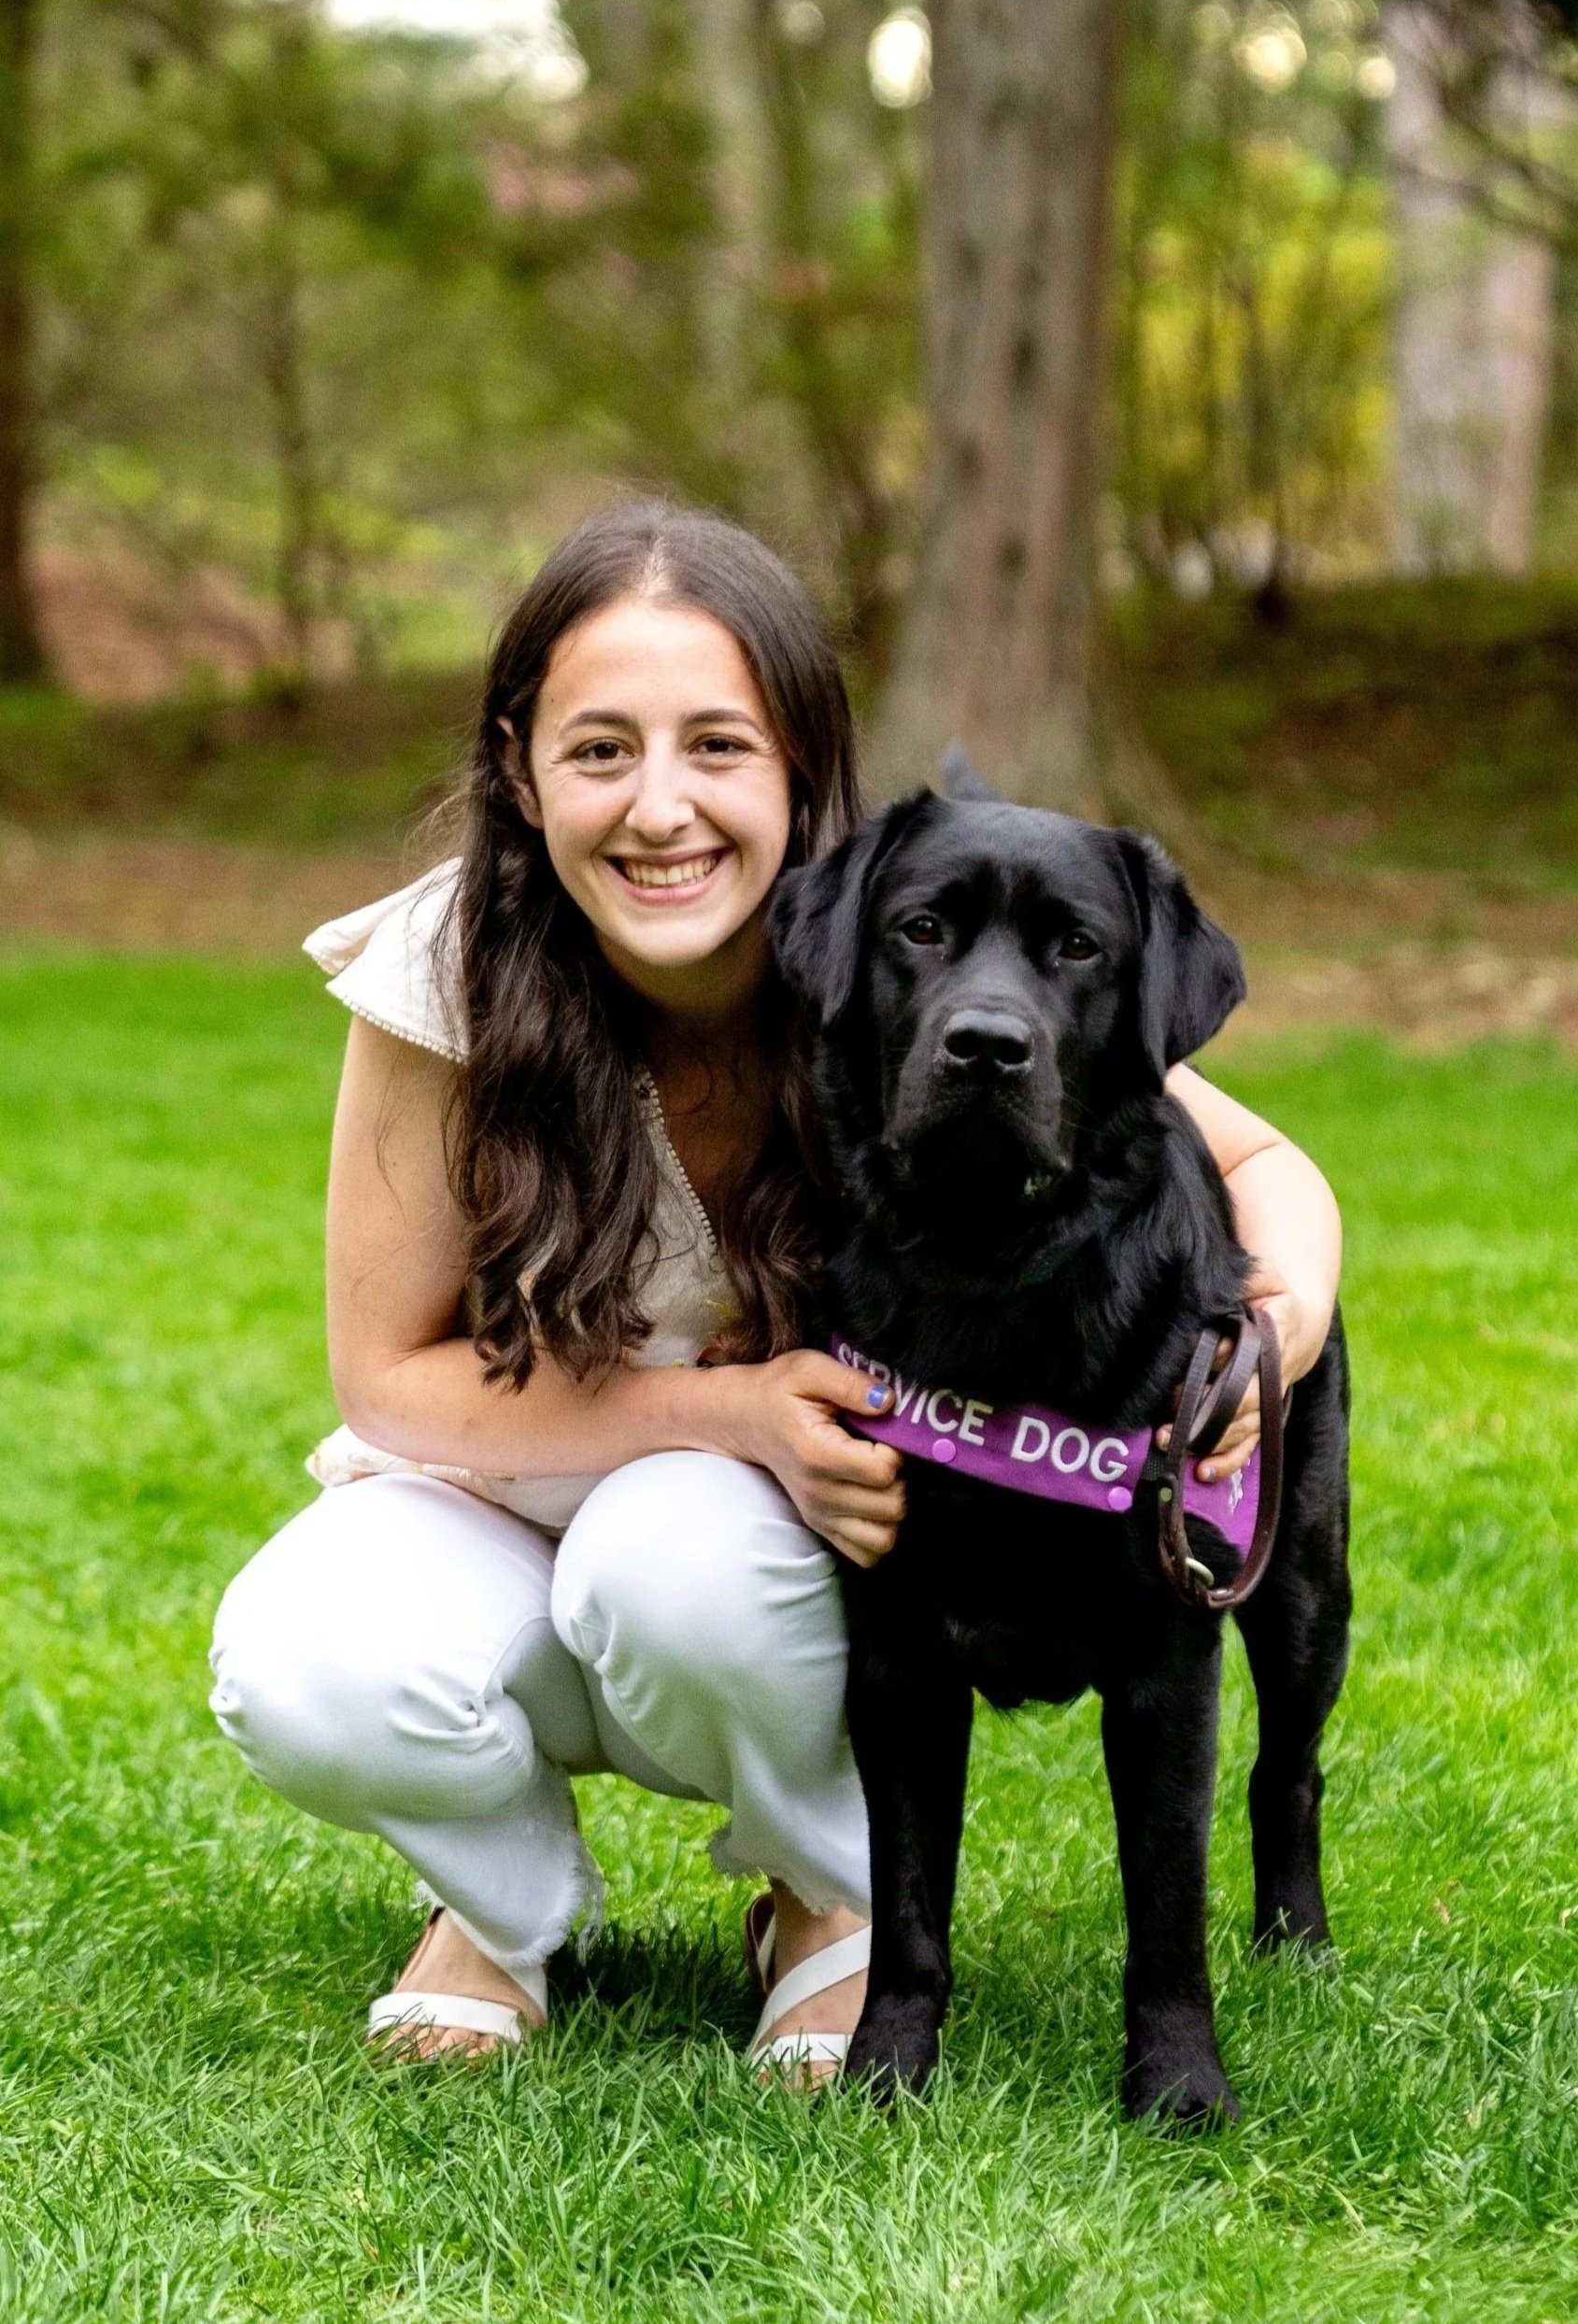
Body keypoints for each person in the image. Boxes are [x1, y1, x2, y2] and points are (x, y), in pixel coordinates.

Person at [208, 500, 1343, 2079]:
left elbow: (1267, 1166)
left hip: (725, 1553)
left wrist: (1266, 1340)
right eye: (600, 748)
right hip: (499, 1494)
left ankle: (826, 1896)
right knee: (298, 1654)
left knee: (680, 1552)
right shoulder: (448, 969)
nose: (659, 807)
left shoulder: (884, 952)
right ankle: (496, 1904)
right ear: (519, 769)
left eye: (715, 747)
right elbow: (386, 1379)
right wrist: (735, 1404)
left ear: (801, 769)